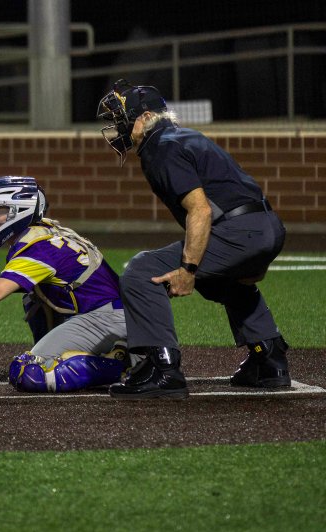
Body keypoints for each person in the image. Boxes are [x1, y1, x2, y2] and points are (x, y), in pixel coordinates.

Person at [95, 79, 291, 399]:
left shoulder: (160, 146)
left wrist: (187, 269)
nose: (118, 127)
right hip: (267, 226)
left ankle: (162, 368)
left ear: (146, 117)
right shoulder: (185, 136)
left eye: (123, 118)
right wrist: (255, 254)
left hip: (240, 230)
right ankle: (268, 358)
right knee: (219, 281)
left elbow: (200, 210)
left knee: (142, 271)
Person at [0, 175, 129, 392]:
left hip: (107, 320)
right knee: (33, 297)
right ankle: (104, 352)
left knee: (27, 372)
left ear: (19, 211)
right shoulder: (45, 231)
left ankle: (121, 366)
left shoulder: (38, 248)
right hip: (115, 314)